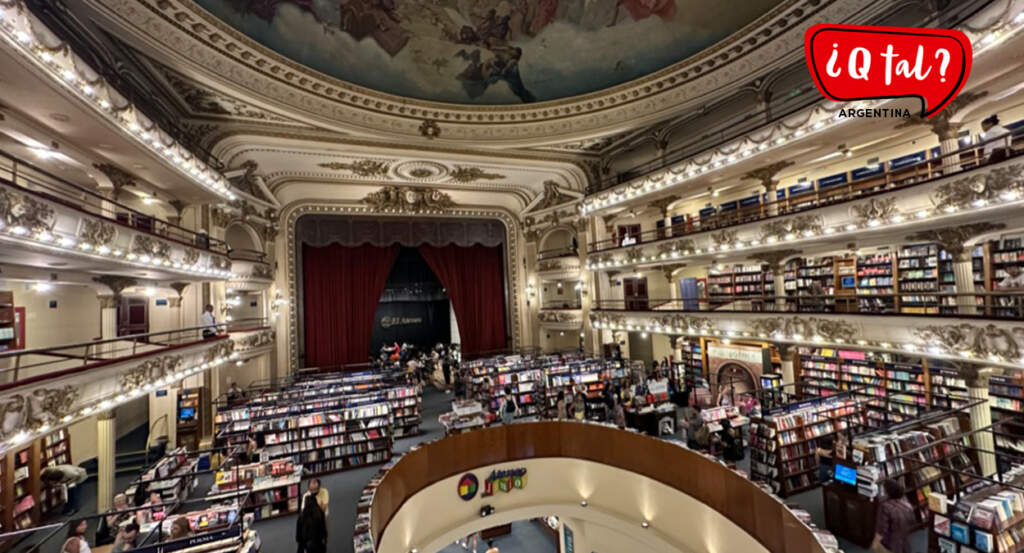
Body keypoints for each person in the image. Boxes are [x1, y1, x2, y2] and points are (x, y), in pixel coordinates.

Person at [872, 478, 916, 553]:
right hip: (904, 541)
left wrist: (875, 543)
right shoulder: (907, 503)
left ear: (888, 492)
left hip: (891, 543)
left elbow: (882, 529)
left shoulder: (885, 507)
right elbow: (912, 520)